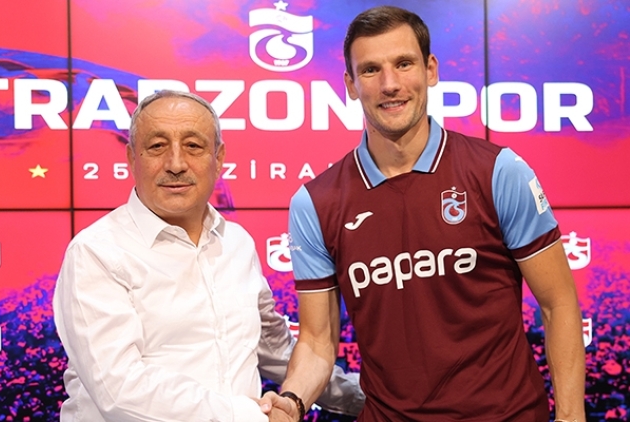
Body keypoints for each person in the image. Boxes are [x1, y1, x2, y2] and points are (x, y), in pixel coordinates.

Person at [261, 5, 586, 422]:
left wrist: (571, 417)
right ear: (351, 85)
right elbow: (317, 342)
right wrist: (291, 401)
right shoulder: (315, 202)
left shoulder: (497, 171)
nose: (390, 84)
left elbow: (558, 304)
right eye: (371, 70)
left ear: (430, 70)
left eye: (404, 64)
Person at [52, 90, 364, 421]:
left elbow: (275, 350)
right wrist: (250, 416)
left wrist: (368, 398)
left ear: (219, 157)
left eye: (193, 146)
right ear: (131, 157)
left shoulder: (237, 243)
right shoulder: (96, 252)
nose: (175, 164)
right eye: (157, 146)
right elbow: (119, 390)